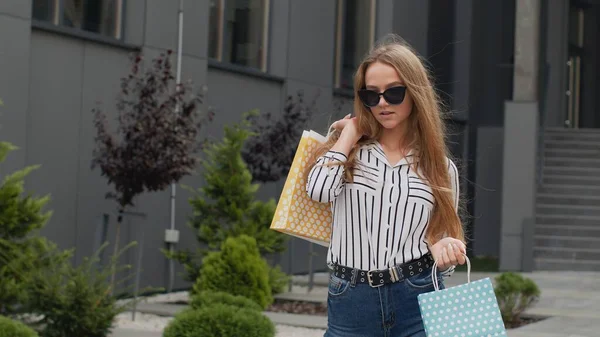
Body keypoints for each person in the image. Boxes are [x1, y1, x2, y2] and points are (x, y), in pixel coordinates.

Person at [305, 35, 467, 337]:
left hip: (417, 294)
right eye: (371, 95)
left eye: (394, 93)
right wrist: (349, 135)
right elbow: (319, 191)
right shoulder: (348, 153)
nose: (381, 103)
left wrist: (446, 250)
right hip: (352, 298)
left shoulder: (441, 168)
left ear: (415, 92)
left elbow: (443, 246)